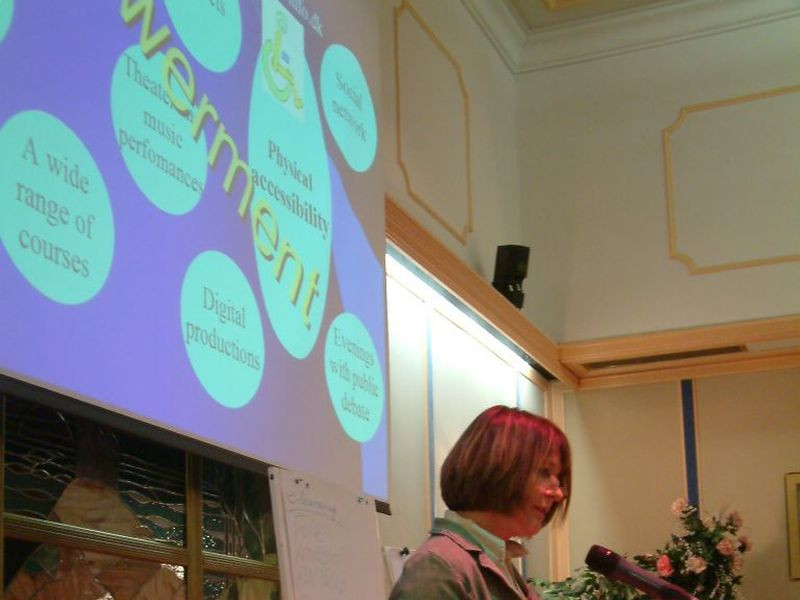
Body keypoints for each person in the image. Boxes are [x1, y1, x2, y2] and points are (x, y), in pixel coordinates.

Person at [389, 405, 571, 600]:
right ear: (498, 465)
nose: (558, 494)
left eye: (558, 478)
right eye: (545, 472)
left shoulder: (494, 560)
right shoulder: (436, 570)